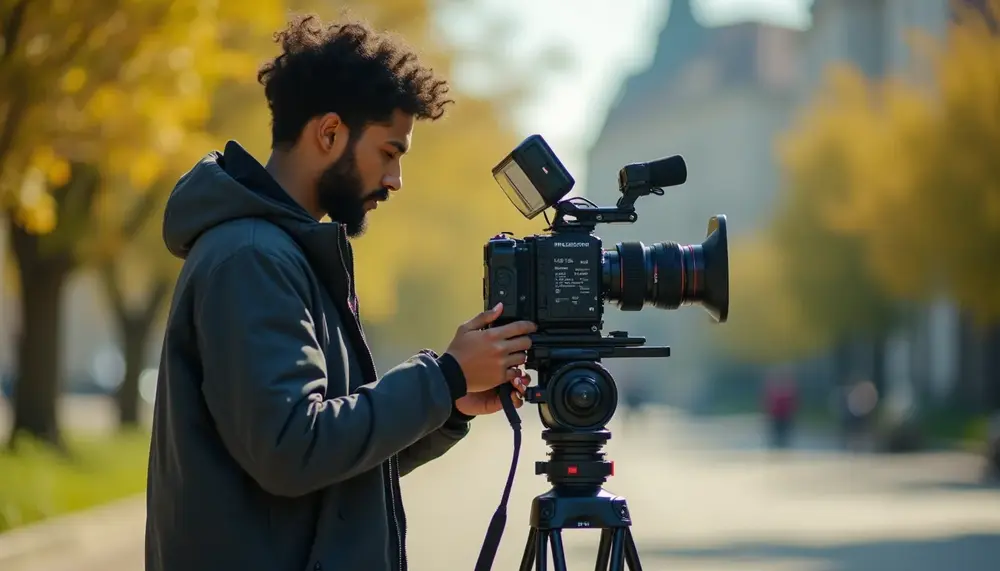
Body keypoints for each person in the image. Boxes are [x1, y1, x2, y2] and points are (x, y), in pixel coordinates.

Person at [145, 16, 534, 571]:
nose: (396, 179)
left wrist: (447, 404)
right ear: (329, 134)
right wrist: (443, 375)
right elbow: (291, 448)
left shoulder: (284, 253)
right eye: (390, 152)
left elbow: (329, 471)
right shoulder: (252, 258)